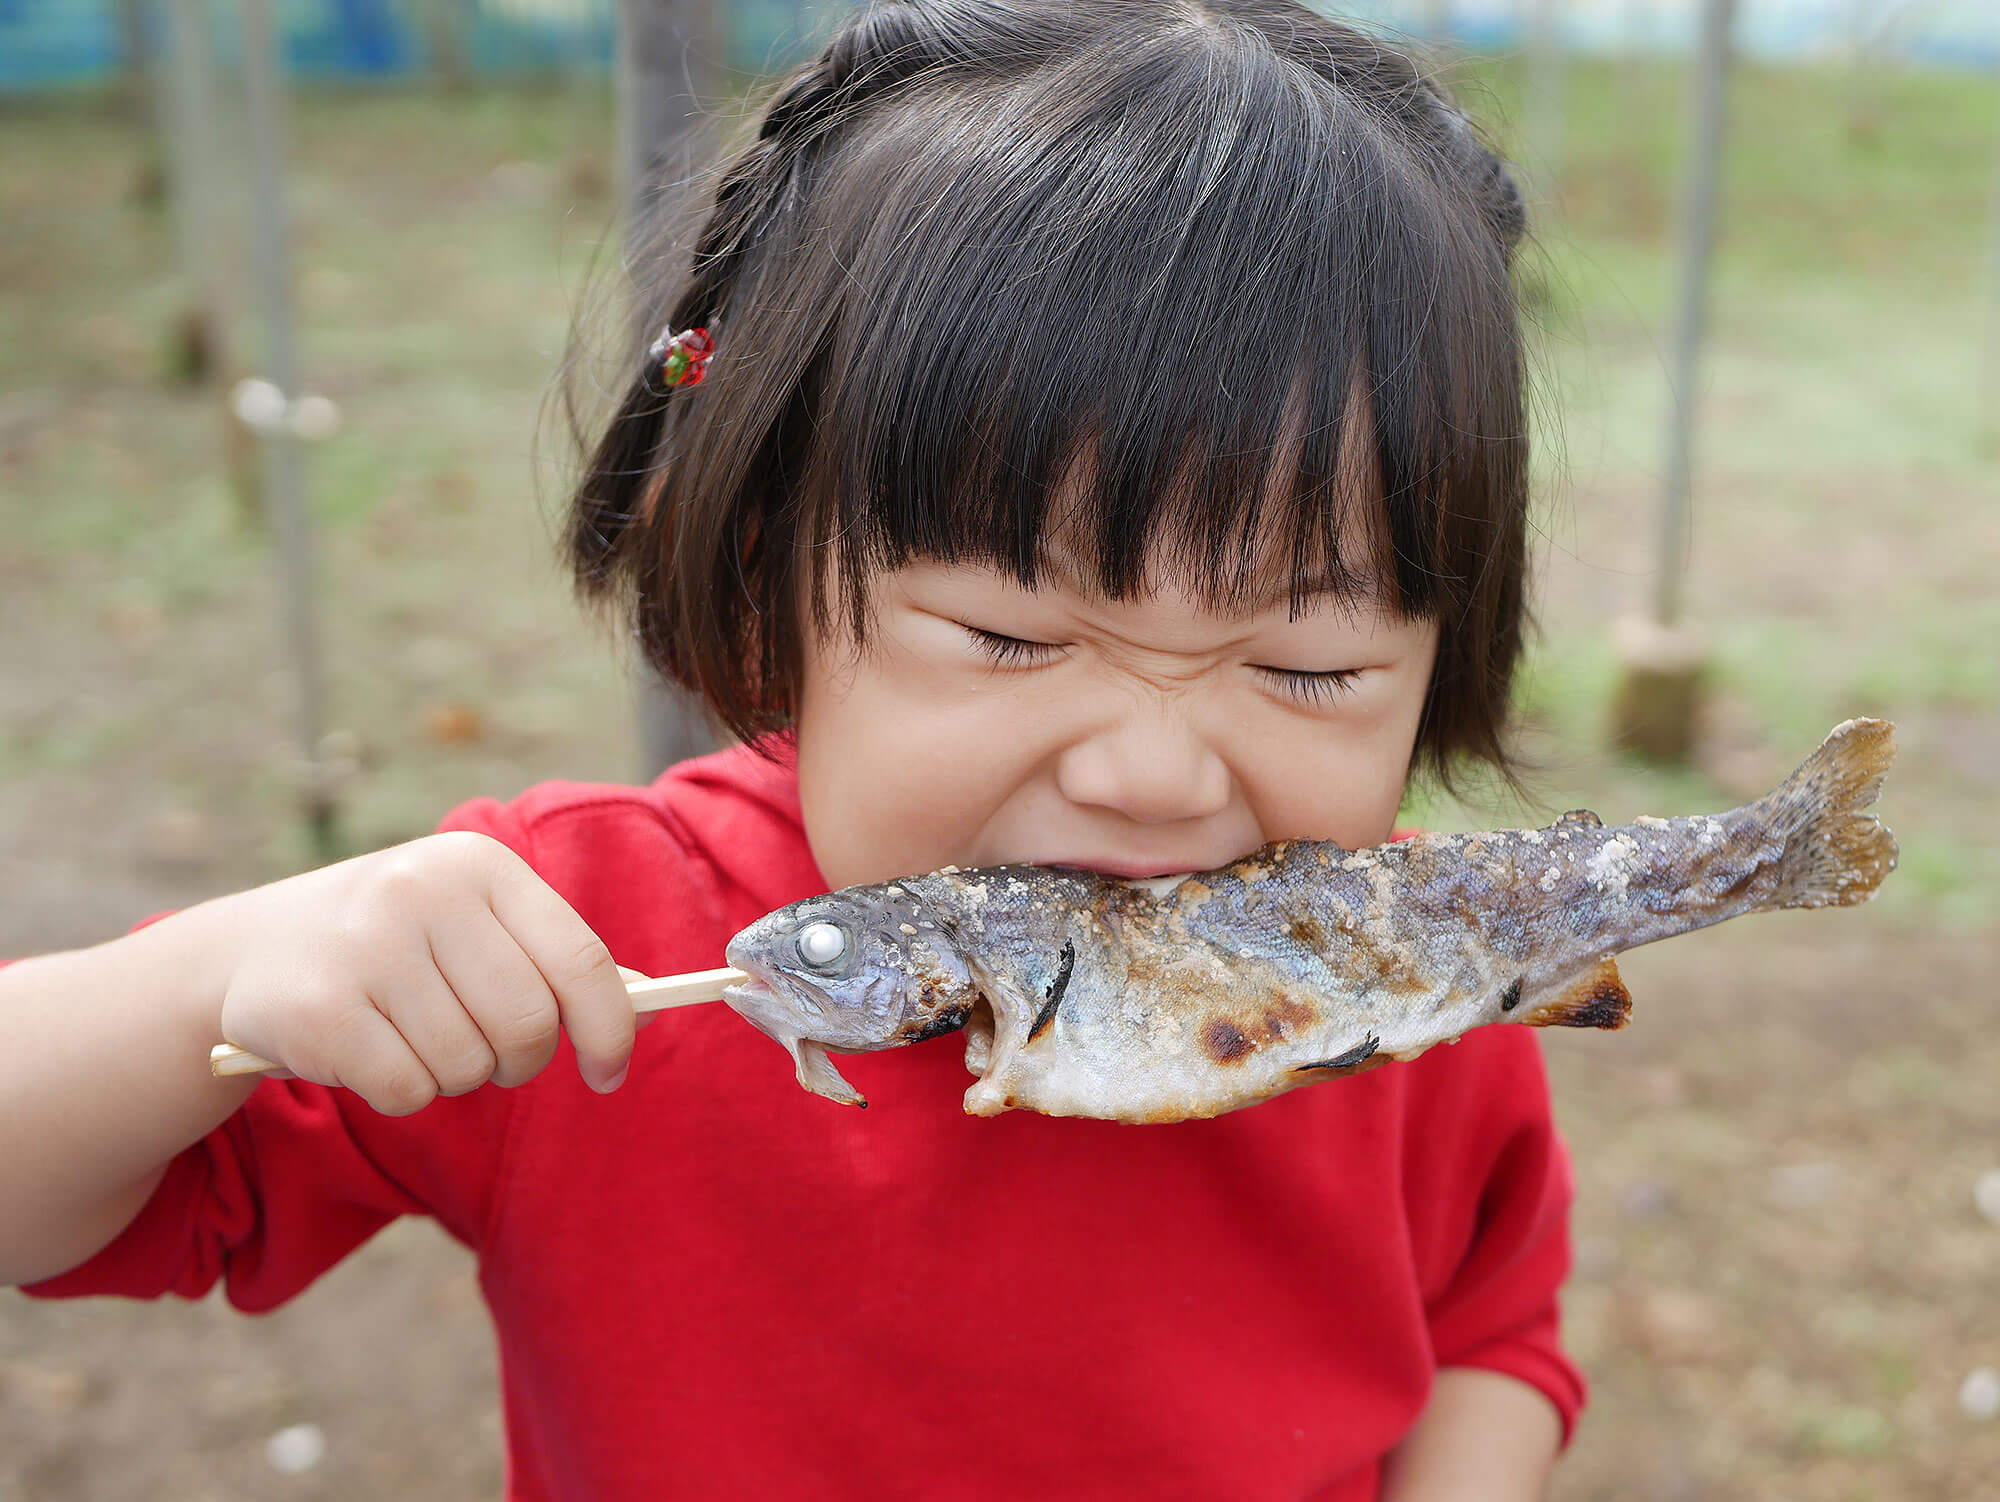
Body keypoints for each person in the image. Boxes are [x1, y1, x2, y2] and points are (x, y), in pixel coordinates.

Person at [0, 2, 1583, 1495]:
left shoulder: (1419, 983)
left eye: (1308, 665)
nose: (1154, 773)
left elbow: (1489, 1336)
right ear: (765, 583)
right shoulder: (581, 955)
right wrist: (215, 976)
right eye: (1014, 638)